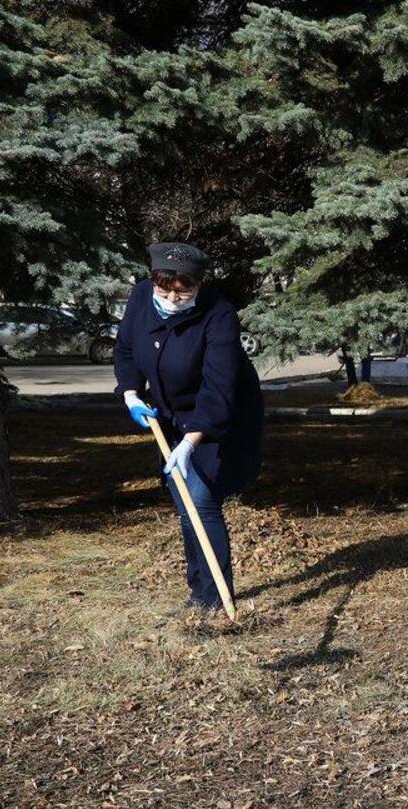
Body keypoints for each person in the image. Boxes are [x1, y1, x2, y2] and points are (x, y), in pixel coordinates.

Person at [114, 242, 264, 613]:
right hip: (168, 414)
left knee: (199, 498)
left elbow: (220, 386)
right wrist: (131, 393)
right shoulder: (140, 298)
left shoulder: (219, 315)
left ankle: (215, 600)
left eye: (184, 290)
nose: (173, 297)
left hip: (220, 413)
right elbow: (127, 350)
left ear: (199, 283)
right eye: (164, 290)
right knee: (184, 500)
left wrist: (191, 441)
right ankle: (198, 593)